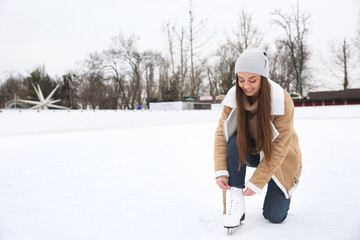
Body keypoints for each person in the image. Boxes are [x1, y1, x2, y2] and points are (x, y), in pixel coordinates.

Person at [214, 49, 302, 232]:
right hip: (251, 150)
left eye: (252, 80)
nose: (246, 85)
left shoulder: (281, 100)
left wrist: (259, 180)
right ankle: (237, 201)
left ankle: (274, 186)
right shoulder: (233, 98)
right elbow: (221, 135)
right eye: (241, 79)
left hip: (280, 158)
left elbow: (280, 147)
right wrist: (221, 171)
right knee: (234, 140)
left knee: (274, 217)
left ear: (263, 77)